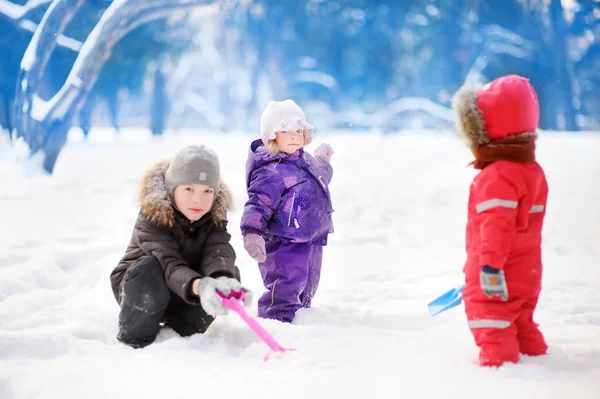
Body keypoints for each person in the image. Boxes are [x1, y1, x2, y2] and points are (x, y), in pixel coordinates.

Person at [110, 145, 250, 348]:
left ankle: (184, 331)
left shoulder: (214, 214)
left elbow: (218, 249)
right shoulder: (153, 213)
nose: (198, 200)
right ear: (172, 187)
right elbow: (167, 263)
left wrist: (222, 281)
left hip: (186, 290)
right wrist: (201, 287)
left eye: (207, 191)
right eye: (189, 189)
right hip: (141, 289)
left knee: (228, 271)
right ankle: (135, 337)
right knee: (148, 268)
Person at [452, 74, 549, 366]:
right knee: (521, 320)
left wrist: (490, 268)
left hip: (499, 270)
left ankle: (500, 375)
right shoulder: (532, 170)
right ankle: (539, 361)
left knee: (490, 319)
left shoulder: (497, 176)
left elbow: (497, 225)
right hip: (527, 269)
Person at [240, 99, 334, 323]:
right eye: (286, 130)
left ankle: (302, 314)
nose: (294, 136)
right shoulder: (270, 170)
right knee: (286, 282)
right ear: (272, 135)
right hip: (284, 240)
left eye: (299, 130)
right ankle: (277, 318)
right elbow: (258, 202)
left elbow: (320, 177)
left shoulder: (304, 159)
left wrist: (323, 160)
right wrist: (251, 232)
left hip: (310, 235)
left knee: (308, 279)